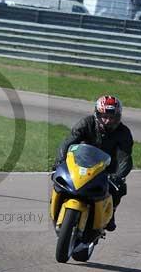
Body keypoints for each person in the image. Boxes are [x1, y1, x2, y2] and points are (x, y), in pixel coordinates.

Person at [55, 95, 133, 238]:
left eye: (112, 117)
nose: (108, 120)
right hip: (81, 164)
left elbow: (125, 159)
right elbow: (68, 142)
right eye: (104, 116)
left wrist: (118, 176)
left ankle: (111, 213)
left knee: (120, 188)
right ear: (97, 114)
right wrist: (60, 161)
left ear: (118, 117)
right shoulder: (86, 123)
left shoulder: (124, 133)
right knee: (59, 177)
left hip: (106, 171)